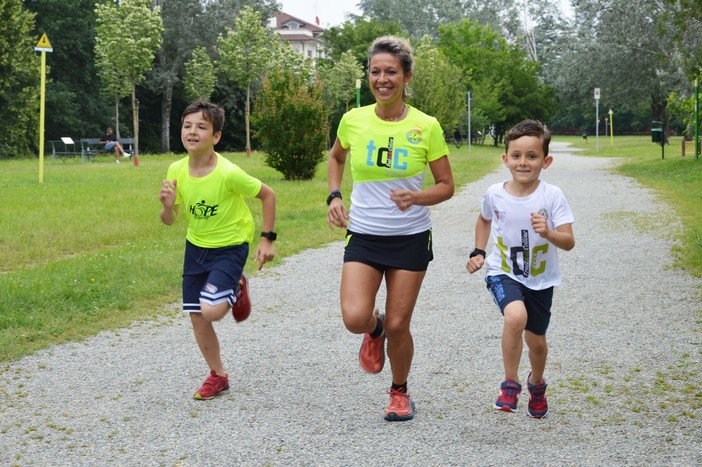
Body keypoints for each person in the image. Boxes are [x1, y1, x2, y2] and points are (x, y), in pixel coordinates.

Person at [326, 36, 455, 422]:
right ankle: (374, 329)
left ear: (406, 76)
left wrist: (417, 198)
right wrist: (334, 195)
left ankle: (399, 391)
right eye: (375, 71)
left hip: (410, 238)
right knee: (354, 318)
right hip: (364, 234)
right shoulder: (353, 119)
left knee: (401, 325)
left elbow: (446, 186)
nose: (382, 79)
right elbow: (335, 158)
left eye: (391, 72)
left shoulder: (425, 126)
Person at [158, 99, 277, 400]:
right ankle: (218, 376)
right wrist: (167, 207)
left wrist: (266, 238)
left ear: (216, 136)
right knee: (196, 316)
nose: (192, 132)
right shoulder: (176, 169)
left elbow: (268, 195)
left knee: (211, 311)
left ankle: (236, 285)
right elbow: (170, 220)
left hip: (231, 246)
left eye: (201, 126)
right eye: (187, 126)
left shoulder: (228, 172)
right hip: (196, 248)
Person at [465, 119, 575, 419]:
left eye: (532, 156)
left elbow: (569, 242)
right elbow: (484, 218)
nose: (523, 162)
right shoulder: (495, 194)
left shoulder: (552, 196)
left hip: (541, 280)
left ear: (546, 161)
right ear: (505, 159)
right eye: (516, 155)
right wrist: (478, 250)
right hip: (503, 271)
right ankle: (510, 383)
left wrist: (549, 233)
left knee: (536, 343)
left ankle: (536, 384)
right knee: (516, 316)